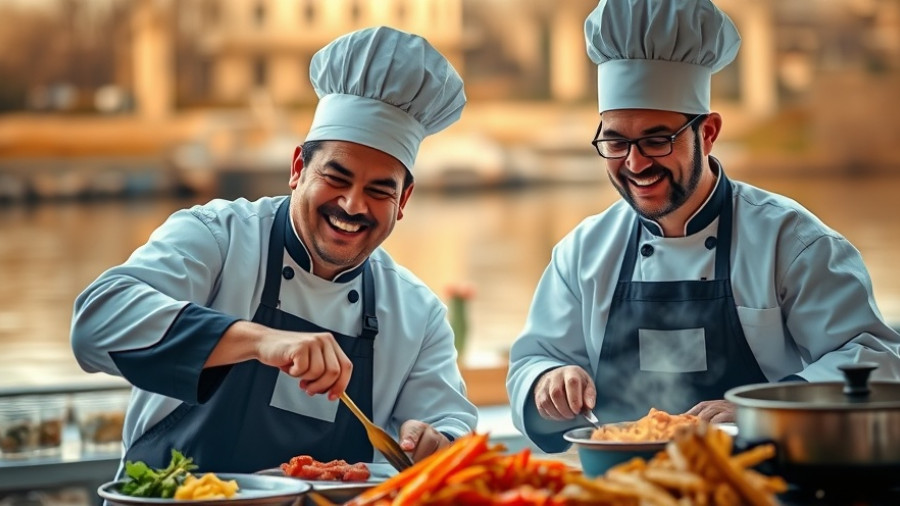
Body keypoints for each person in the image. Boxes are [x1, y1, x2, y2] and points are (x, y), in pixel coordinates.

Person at [70, 26, 477, 473]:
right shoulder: (216, 237)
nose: (352, 205)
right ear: (298, 167)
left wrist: (437, 444)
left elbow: (450, 432)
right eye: (336, 178)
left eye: (380, 190)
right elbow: (95, 322)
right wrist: (261, 342)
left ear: (403, 201)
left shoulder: (417, 314)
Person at [506, 0, 900, 453]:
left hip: (756, 482)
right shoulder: (583, 251)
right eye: (615, 141)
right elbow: (532, 362)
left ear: (708, 133)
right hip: (618, 487)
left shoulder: (792, 242)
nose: (635, 163)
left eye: (657, 139)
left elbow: (874, 360)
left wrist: (764, 408)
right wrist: (547, 381)